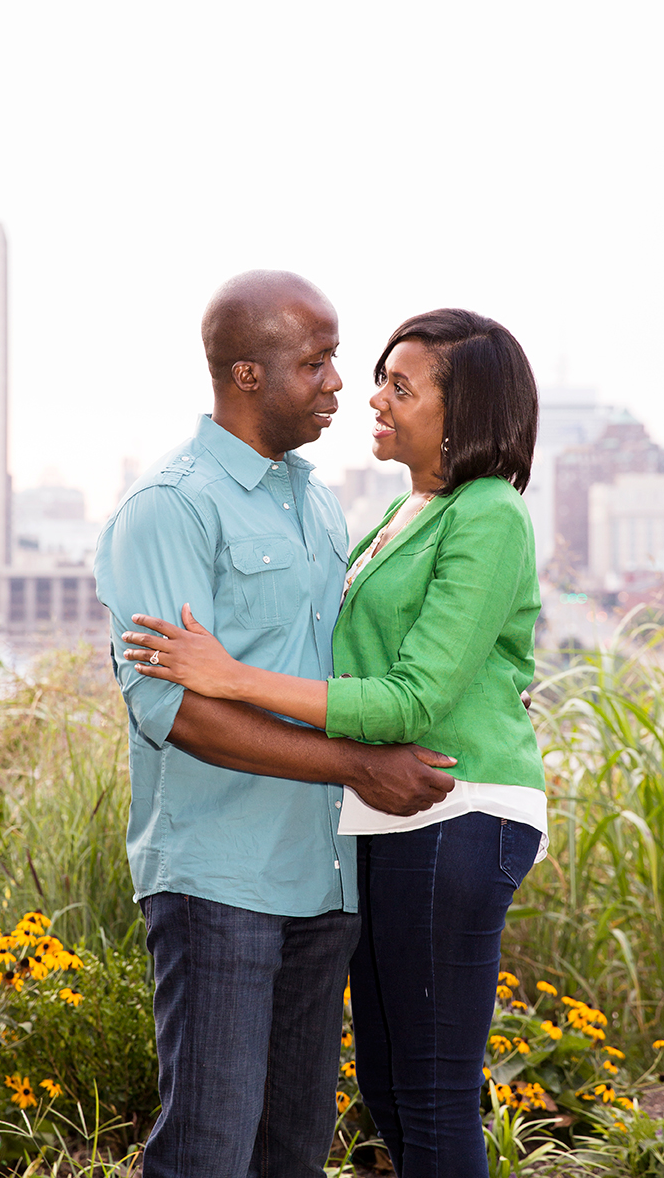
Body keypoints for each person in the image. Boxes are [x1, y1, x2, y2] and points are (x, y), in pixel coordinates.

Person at [123, 308, 547, 1178]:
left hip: (449, 807)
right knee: (393, 1093)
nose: (362, 392)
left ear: (464, 408)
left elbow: (413, 696)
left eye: (399, 384)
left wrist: (229, 674)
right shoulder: (404, 509)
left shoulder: (486, 512)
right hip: (377, 826)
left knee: (428, 1096)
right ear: (248, 373)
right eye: (347, 369)